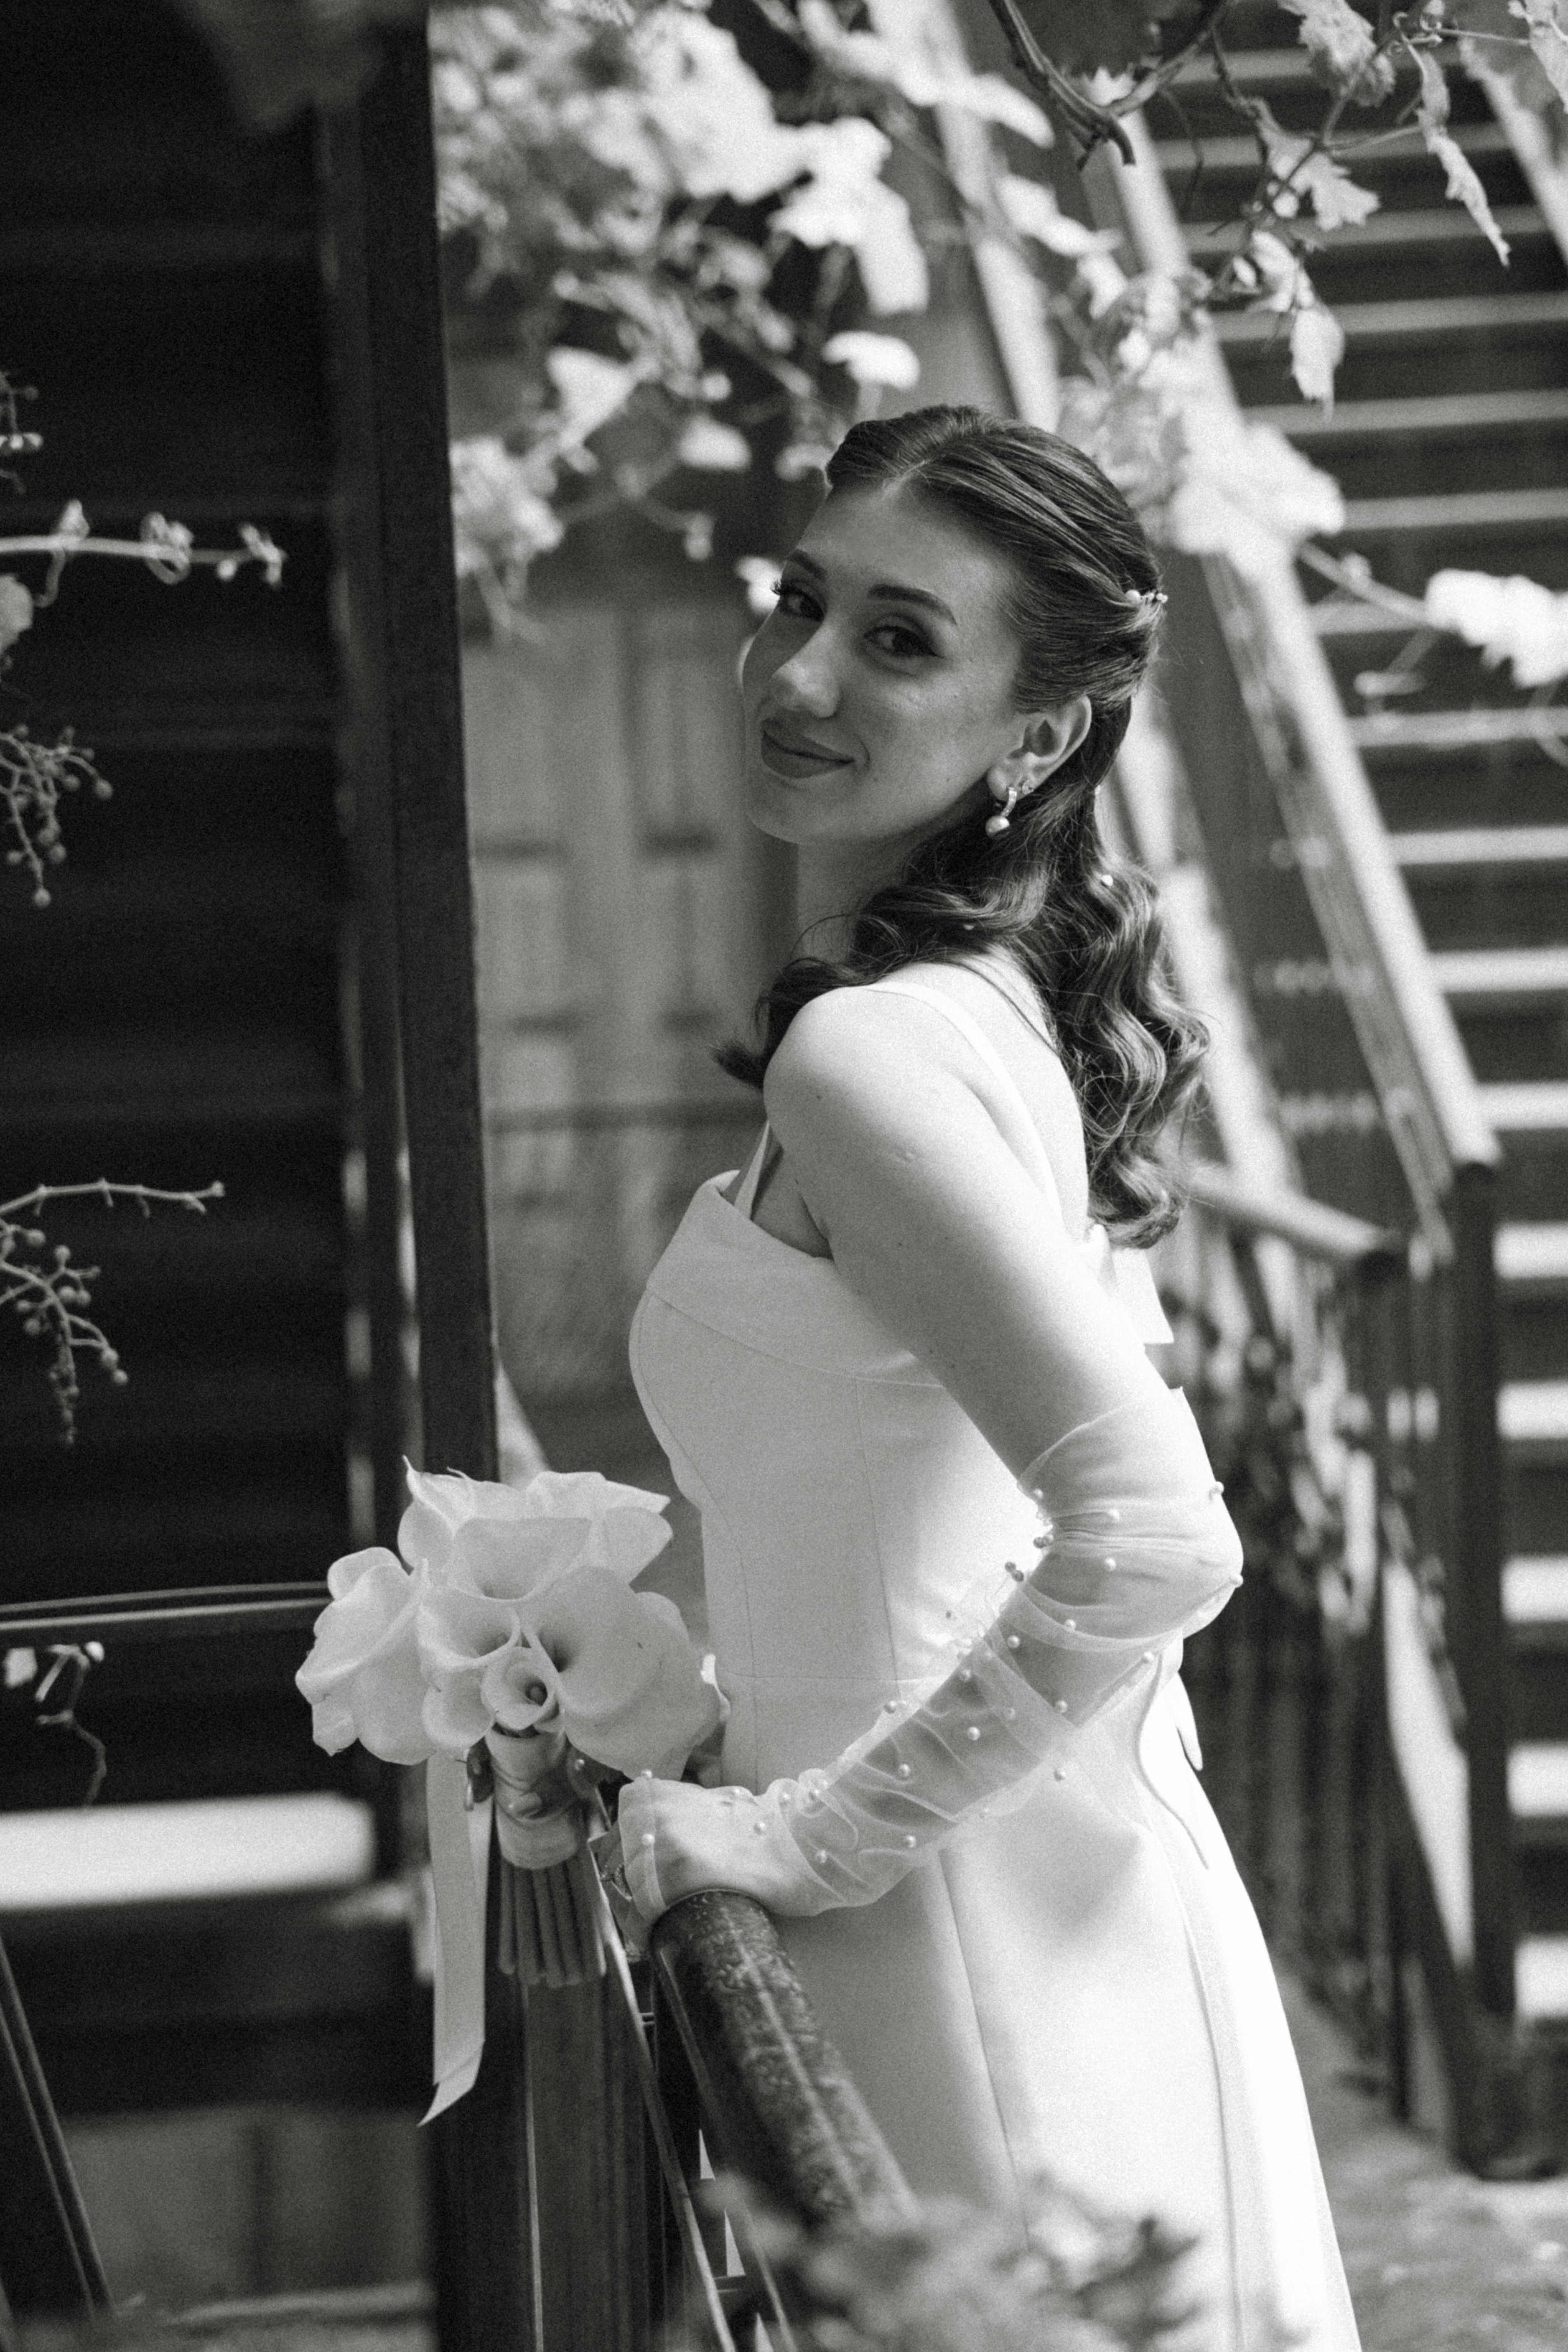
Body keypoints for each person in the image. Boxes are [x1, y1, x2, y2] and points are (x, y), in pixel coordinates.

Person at [605, 406, 1359, 2348]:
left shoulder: (869, 1059)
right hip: (1008, 1887)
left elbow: (1158, 1535)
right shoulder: (973, 1018)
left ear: (1037, 735)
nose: (800, 672)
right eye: (800, 599)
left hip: (959, 1944)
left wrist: (793, 1839)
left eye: (898, 637)